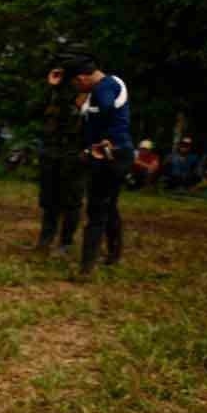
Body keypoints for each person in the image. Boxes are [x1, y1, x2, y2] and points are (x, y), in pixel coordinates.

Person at [66, 53, 133, 275]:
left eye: (75, 83)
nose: (76, 88)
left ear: (82, 78)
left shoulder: (102, 90)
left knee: (96, 210)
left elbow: (104, 111)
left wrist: (97, 145)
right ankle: (114, 255)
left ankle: (86, 267)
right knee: (109, 205)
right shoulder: (115, 82)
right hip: (122, 152)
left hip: (107, 154)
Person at [35, 55, 86, 255]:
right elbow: (34, 110)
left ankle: (65, 242)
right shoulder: (52, 92)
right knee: (49, 199)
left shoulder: (83, 92)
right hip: (51, 150)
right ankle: (45, 239)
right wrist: (50, 87)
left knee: (71, 200)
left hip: (73, 151)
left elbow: (71, 113)